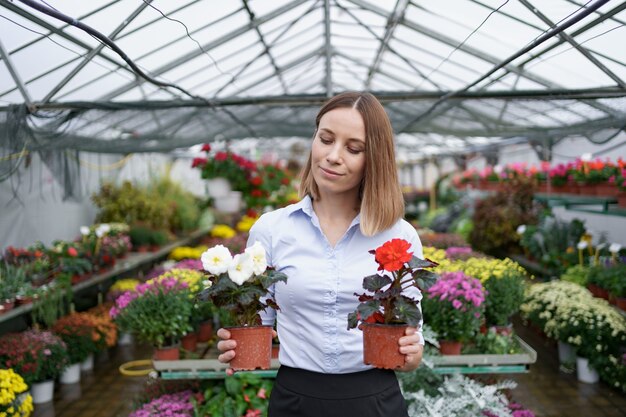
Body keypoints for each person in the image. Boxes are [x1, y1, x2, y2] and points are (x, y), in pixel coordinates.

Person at [217, 92, 424, 417]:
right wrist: (235, 345)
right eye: (325, 139)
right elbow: (257, 321)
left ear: (375, 159)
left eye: (353, 148)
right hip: (296, 401)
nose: (333, 156)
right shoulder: (272, 229)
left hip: (376, 401)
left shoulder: (399, 236)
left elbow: (412, 336)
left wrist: (413, 353)